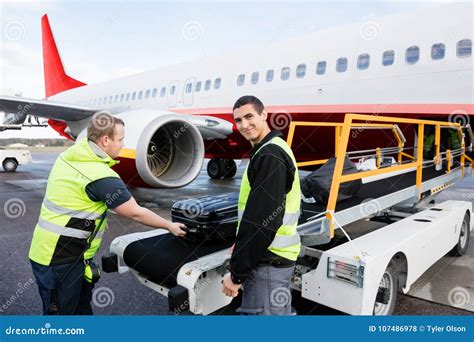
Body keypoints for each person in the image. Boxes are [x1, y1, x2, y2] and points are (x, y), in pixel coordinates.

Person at [28, 111, 186, 315]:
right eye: (120, 139)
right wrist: (169, 225)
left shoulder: (72, 155)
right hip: (59, 260)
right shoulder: (100, 175)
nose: (123, 144)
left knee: (79, 312)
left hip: (56, 252)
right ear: (105, 140)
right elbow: (135, 212)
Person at [221, 95, 301, 315]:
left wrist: (237, 274)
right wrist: (240, 244)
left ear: (264, 114)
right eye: (238, 120)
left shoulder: (270, 155)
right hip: (276, 258)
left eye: (249, 116)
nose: (244, 125)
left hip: (268, 262)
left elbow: (261, 221)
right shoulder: (272, 148)